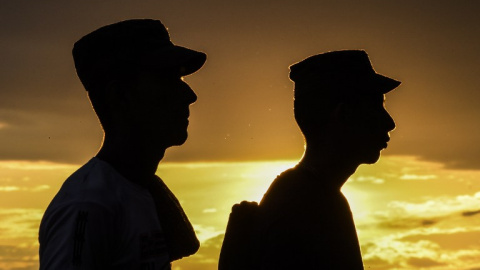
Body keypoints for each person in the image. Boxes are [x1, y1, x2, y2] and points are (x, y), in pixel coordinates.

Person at [39, 19, 206, 269]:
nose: (189, 95)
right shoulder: (88, 205)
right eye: (168, 79)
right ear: (119, 96)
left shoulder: (142, 190)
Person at [219, 50, 400, 269]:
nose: (389, 122)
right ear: (343, 115)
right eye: (377, 106)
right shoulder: (315, 206)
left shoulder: (302, 195)